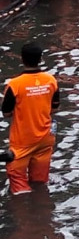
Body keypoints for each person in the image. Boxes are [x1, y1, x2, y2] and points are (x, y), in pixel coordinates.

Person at [2, 43, 59, 194]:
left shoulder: (15, 84)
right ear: (41, 59)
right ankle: (42, 207)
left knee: (19, 188)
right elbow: (54, 108)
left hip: (23, 143)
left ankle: (25, 212)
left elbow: (6, 113)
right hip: (46, 138)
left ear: (22, 59)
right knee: (40, 183)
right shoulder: (51, 80)